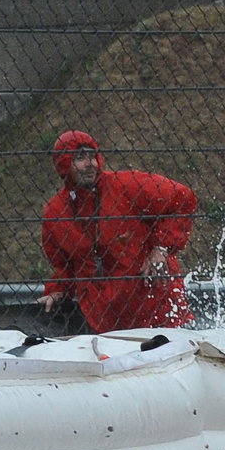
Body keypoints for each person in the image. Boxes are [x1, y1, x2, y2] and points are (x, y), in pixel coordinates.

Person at [36, 130, 197, 334]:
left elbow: (183, 199)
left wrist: (161, 249)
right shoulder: (55, 214)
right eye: (79, 158)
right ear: (64, 164)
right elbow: (65, 265)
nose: (90, 164)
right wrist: (57, 290)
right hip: (106, 324)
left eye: (92, 156)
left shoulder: (128, 185)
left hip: (160, 314)